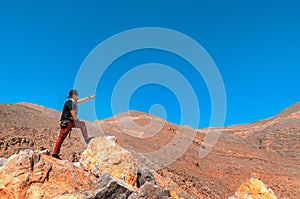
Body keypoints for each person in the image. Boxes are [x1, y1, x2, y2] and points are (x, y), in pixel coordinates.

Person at [52, 89, 95, 159]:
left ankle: (87, 139)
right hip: (68, 122)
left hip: (71, 122)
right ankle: (55, 154)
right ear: (74, 95)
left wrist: (89, 97)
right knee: (61, 137)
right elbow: (72, 112)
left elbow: (81, 101)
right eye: (77, 95)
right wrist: (76, 118)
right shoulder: (70, 103)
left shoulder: (73, 102)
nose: (78, 96)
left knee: (82, 125)